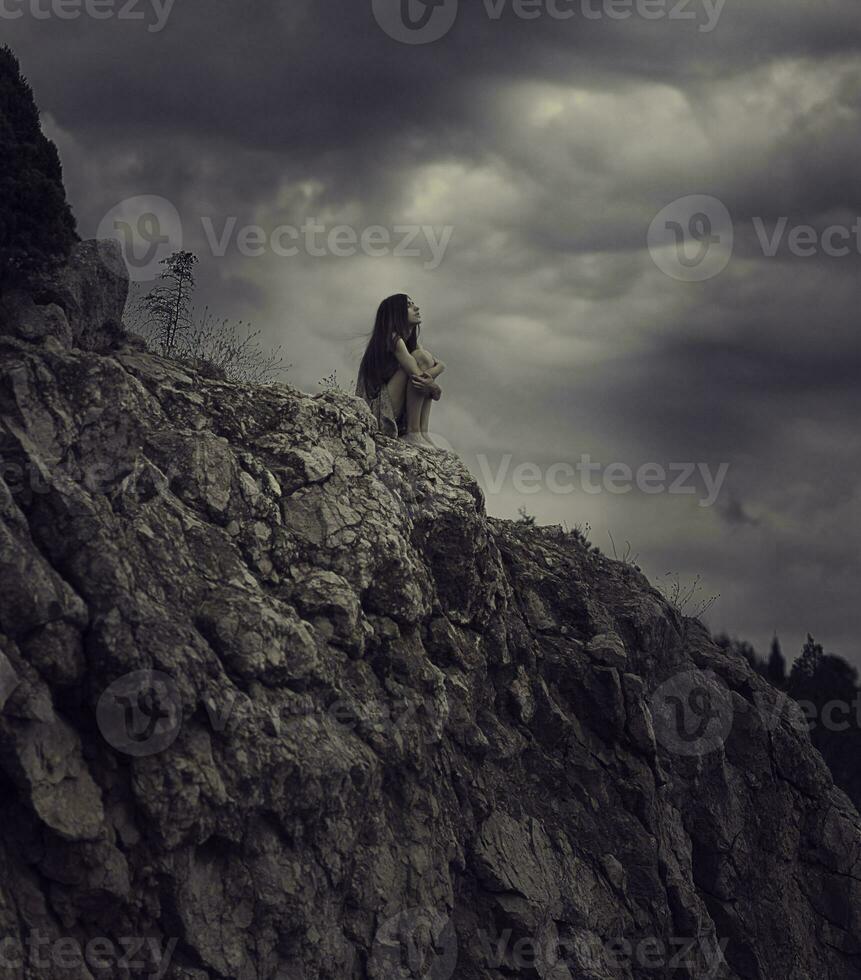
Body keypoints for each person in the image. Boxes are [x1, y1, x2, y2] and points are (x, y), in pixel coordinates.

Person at [354, 294, 446, 449]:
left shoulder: (410, 344)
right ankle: (414, 432)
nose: (416, 308)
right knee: (422, 360)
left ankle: (422, 433)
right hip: (376, 413)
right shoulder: (392, 338)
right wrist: (434, 386)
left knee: (425, 358)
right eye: (408, 306)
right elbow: (419, 376)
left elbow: (429, 373)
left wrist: (439, 371)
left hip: (392, 408)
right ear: (396, 314)